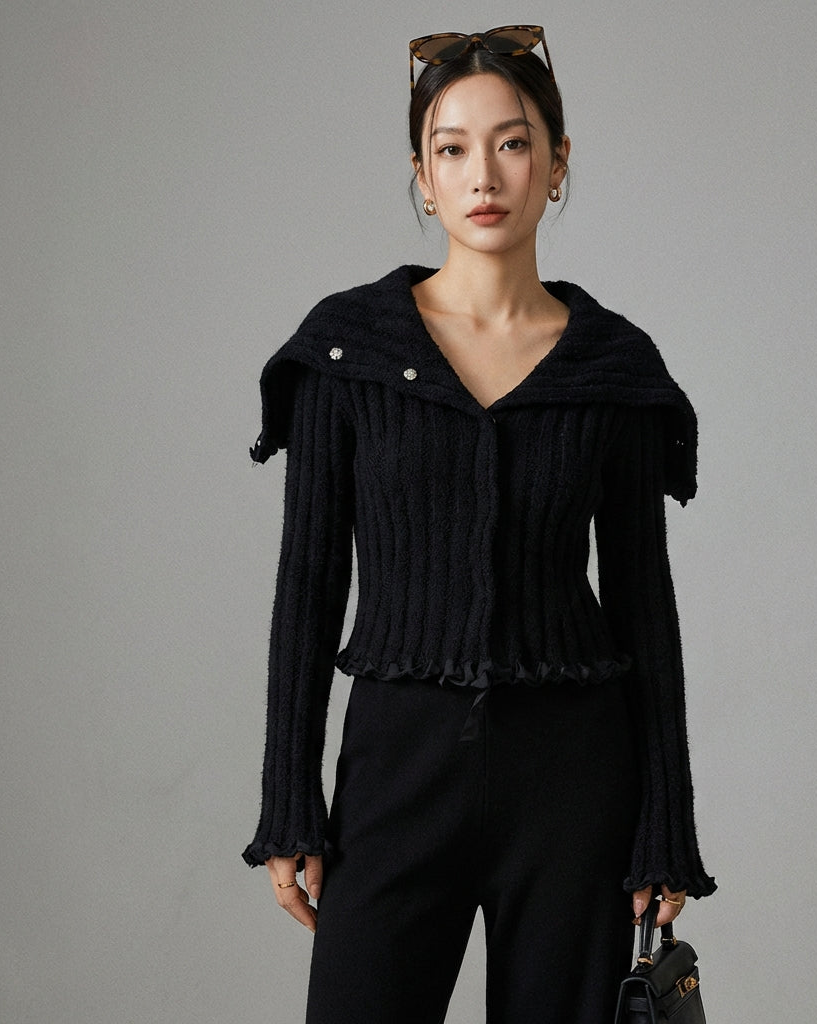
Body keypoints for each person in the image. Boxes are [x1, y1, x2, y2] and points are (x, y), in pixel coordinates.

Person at [243, 25, 715, 1024]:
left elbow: (644, 601)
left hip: (574, 780)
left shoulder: (610, 366)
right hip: (396, 767)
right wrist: (289, 796)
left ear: (557, 162)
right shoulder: (349, 354)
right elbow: (308, 585)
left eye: (512, 142)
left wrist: (664, 821)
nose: (483, 175)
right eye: (451, 148)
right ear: (422, 176)